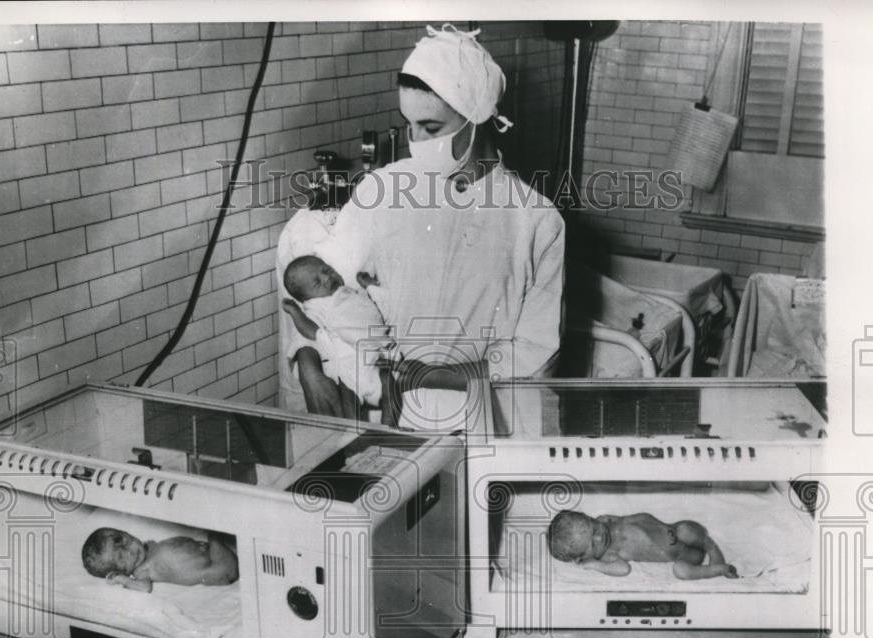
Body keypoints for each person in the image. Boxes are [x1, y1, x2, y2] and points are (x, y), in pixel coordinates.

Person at [280, 24, 565, 429]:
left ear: (477, 116)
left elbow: (538, 352)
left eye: (431, 129)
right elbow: (321, 292)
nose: (415, 141)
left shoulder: (534, 219)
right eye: (409, 125)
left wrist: (433, 376)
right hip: (386, 411)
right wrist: (308, 363)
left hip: (481, 415)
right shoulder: (382, 191)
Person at [281, 254, 396, 419]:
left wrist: (370, 287)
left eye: (327, 270)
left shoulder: (351, 292)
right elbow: (311, 331)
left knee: (389, 384)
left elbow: (375, 310)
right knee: (347, 395)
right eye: (317, 282)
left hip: (376, 357)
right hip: (349, 365)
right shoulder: (316, 306)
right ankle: (350, 432)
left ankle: (387, 427)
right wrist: (295, 313)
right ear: (306, 297)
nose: (327, 278)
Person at [547, 509, 738, 580]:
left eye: (594, 528)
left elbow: (625, 519)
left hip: (681, 533)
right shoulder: (609, 555)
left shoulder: (608, 522)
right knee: (681, 572)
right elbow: (623, 570)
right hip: (684, 557)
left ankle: (711, 547)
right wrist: (595, 565)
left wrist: (613, 519)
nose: (599, 537)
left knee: (685, 530)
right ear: (584, 557)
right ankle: (718, 570)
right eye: (592, 544)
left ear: (592, 518)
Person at [81, 527, 239, 593]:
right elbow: (144, 588)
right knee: (215, 534)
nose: (129, 550)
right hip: (219, 570)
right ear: (117, 571)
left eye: (122, 539)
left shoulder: (149, 548)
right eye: (121, 558)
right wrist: (121, 580)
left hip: (213, 553)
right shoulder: (141, 571)